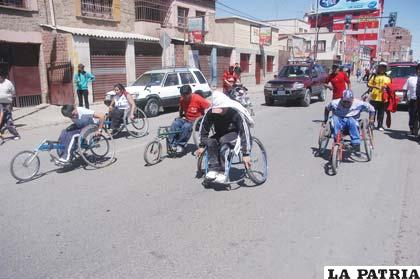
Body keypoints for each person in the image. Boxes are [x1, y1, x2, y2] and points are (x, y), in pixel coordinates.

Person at [197, 91, 254, 184]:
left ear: (226, 106)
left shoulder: (235, 113)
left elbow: (245, 132)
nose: (217, 112)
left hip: (235, 133)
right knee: (210, 141)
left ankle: (223, 171)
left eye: (220, 109)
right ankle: (213, 168)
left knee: (224, 142)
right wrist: (202, 145)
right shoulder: (211, 112)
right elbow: (204, 128)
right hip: (220, 133)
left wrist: (246, 154)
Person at [168, 85, 210, 153]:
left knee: (186, 126)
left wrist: (207, 118)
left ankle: (180, 145)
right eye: (182, 96)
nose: (184, 98)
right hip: (187, 119)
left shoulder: (197, 98)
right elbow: (181, 107)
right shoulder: (182, 99)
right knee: (175, 124)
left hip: (197, 121)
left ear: (190, 93)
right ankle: (172, 144)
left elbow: (209, 106)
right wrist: (180, 115)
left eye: (185, 96)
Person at [368, 62, 392, 131]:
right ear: (378, 68)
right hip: (374, 97)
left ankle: (380, 125)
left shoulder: (388, 77)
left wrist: (387, 88)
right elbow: (369, 84)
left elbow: (390, 87)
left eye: (384, 67)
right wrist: (375, 86)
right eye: (381, 67)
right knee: (372, 111)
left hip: (383, 98)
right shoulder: (374, 76)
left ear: (385, 69)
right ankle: (371, 124)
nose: (382, 68)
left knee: (381, 113)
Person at [0, 71, 20, 141]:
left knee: (8, 120)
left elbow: (13, 92)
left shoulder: (8, 83)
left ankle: (16, 134)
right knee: (1, 120)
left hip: (7, 104)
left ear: (2, 76)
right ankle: (1, 134)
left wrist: (10, 102)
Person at [403, 63, 420, 136]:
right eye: (419, 69)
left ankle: (417, 132)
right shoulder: (411, 79)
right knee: (412, 115)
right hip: (413, 100)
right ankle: (412, 129)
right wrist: (405, 98)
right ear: (417, 70)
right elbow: (405, 89)